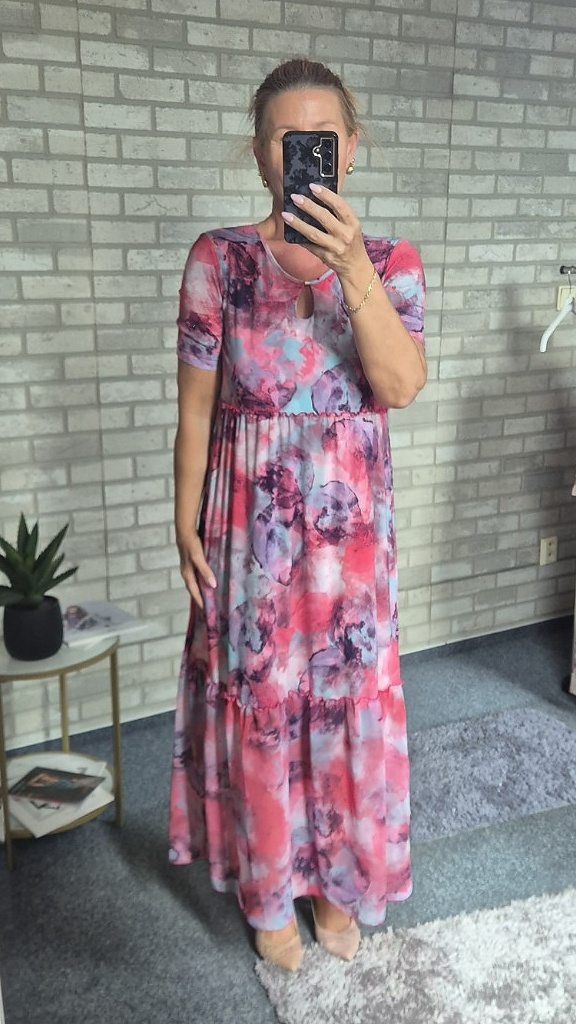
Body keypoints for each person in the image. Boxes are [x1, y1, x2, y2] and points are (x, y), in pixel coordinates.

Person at [169, 57, 427, 972]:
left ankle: (334, 883)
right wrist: (182, 518)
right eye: (287, 139)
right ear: (261, 155)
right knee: (266, 708)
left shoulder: (392, 263)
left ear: (349, 150)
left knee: (347, 704)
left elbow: (400, 384)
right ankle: (271, 890)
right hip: (253, 541)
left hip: (350, 553)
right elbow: (196, 409)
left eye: (321, 136)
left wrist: (351, 266)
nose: (304, 154)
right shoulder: (219, 261)